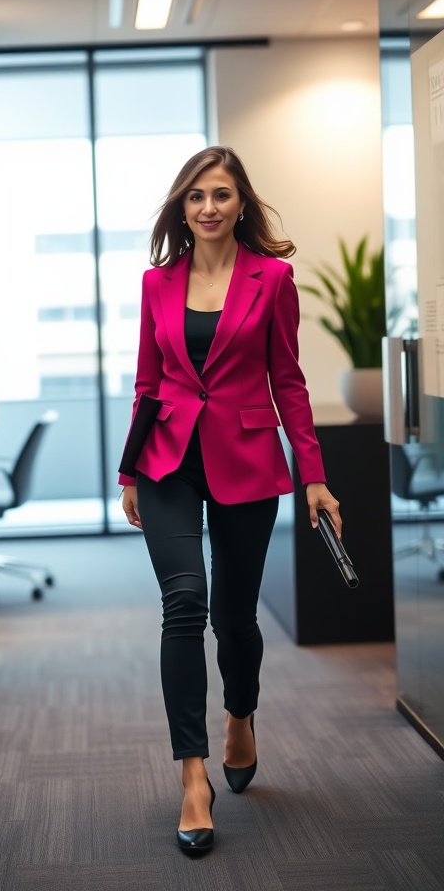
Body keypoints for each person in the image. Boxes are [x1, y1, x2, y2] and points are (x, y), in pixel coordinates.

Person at [119, 146, 341, 857]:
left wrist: (313, 474)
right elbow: (147, 383)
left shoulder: (272, 279)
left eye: (220, 195)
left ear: (241, 203)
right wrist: (130, 473)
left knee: (233, 617)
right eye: (194, 197)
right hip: (168, 461)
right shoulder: (158, 283)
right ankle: (193, 776)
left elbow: (290, 381)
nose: (207, 208)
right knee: (183, 602)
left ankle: (240, 712)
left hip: (246, 457)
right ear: (181, 208)